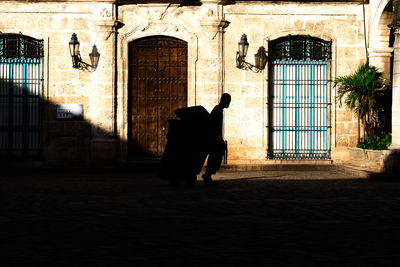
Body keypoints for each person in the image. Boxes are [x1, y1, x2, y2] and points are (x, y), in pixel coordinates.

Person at [202, 93, 231, 186]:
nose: (229, 103)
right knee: (215, 157)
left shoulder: (218, 110)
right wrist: (219, 139)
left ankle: (208, 175)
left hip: (214, 138)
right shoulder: (218, 110)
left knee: (215, 157)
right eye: (228, 101)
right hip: (214, 139)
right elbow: (215, 127)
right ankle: (208, 175)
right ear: (225, 101)